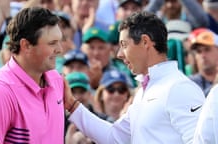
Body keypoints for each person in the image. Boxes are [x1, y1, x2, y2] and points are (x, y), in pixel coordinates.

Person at [63, 11, 205, 144]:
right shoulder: (145, 90)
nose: (119, 54)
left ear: (145, 42)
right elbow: (113, 137)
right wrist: (71, 104)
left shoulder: (179, 88)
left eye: (124, 45)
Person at [0, 7, 66, 144]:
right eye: (52, 43)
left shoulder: (57, 80)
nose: (60, 49)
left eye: (59, 41)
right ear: (26, 45)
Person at [188, 28, 218, 96]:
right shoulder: (190, 83)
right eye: (198, 51)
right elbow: (199, 104)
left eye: (207, 49)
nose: (203, 55)